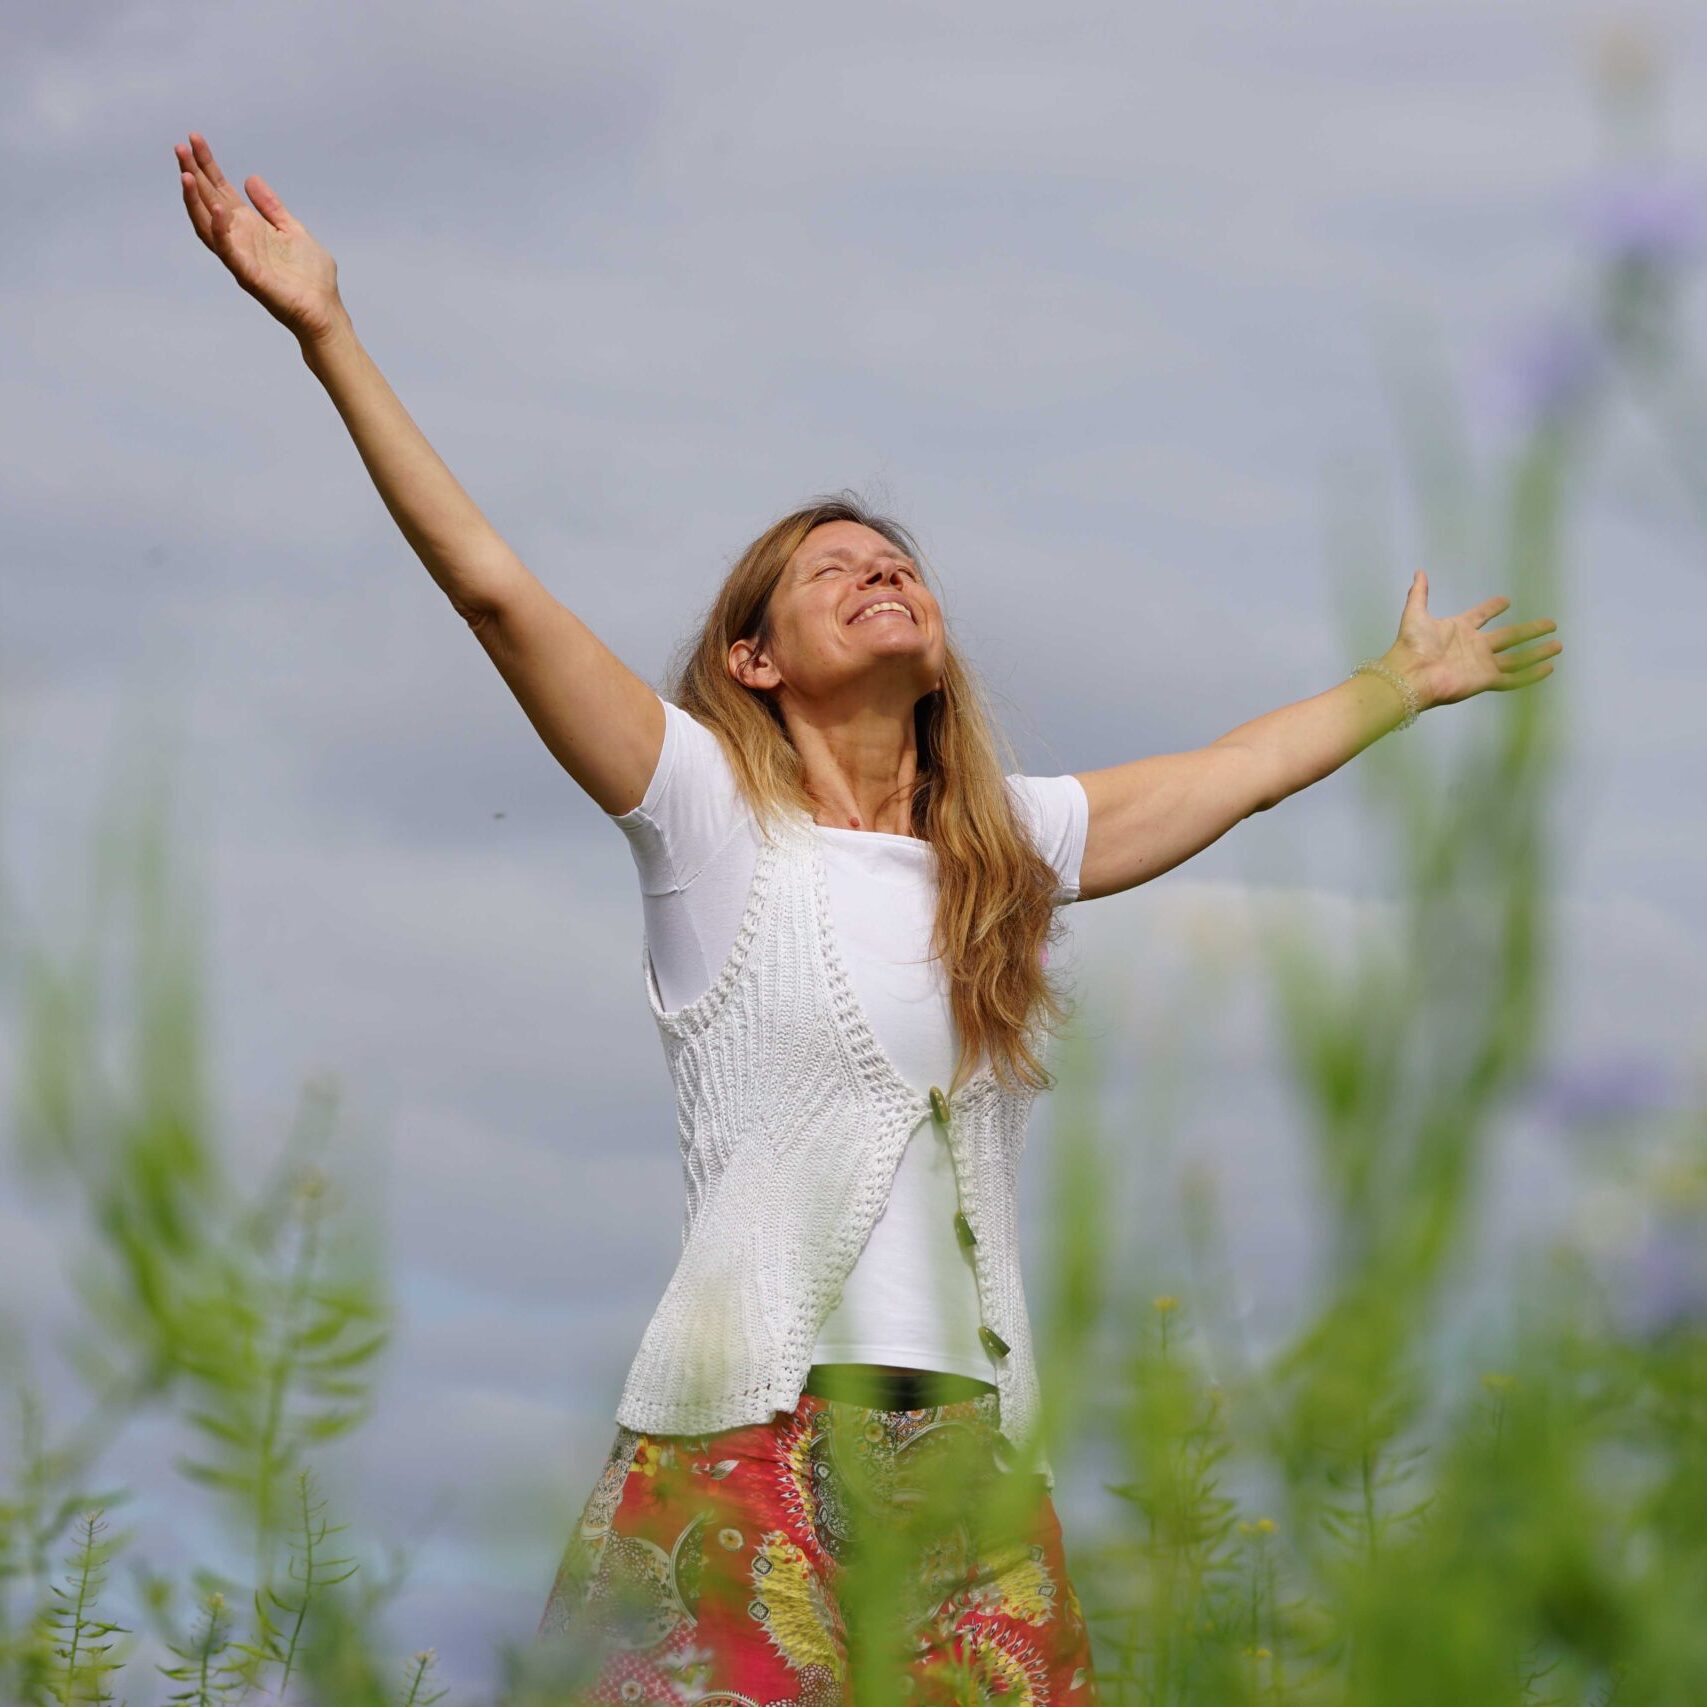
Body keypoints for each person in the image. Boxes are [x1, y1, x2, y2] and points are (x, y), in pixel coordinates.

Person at [175, 131, 1563, 1704]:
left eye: (897, 560)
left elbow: (1235, 776)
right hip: (740, 1443)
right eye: (831, 570)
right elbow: (494, 589)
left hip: (971, 1475)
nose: (879, 570)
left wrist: (1400, 686)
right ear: (754, 657)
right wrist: (326, 331)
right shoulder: (709, 823)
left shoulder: (1005, 848)